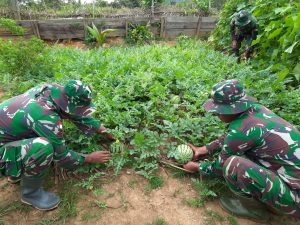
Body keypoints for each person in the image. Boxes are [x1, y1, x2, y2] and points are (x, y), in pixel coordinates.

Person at [183, 79, 300, 221]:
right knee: (248, 155)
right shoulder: (257, 111)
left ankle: (255, 210)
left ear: (232, 109)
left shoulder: (241, 130)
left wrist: (198, 167)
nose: (217, 114)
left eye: (219, 111)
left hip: (296, 198)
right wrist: (205, 149)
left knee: (233, 165)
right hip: (292, 178)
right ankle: (275, 197)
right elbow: (235, 137)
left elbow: (220, 167)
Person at [0, 80, 113, 210]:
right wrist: (89, 158)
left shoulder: (50, 90)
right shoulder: (46, 117)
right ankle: (31, 194)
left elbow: (77, 114)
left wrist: (106, 132)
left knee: (32, 134)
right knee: (43, 147)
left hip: (6, 140)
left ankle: (15, 170)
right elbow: (62, 157)